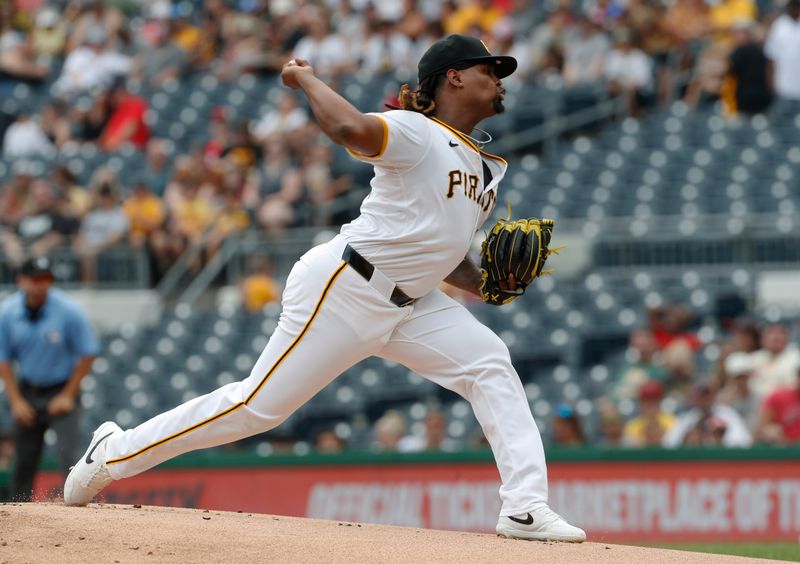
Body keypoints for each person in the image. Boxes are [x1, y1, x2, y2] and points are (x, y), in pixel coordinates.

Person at [64, 34, 586, 543]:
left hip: (413, 302)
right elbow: (347, 127)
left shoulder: (478, 164)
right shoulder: (415, 130)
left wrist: (492, 286)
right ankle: (112, 452)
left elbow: (441, 252)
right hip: (348, 285)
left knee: (490, 363)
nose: (499, 80)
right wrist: (307, 80)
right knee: (258, 408)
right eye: (489, 71)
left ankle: (523, 507)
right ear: (454, 77)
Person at [0, 257, 100, 501]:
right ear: (21, 280)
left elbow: (88, 352)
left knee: (70, 458)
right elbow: (3, 358)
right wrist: (16, 401)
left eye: (46, 279)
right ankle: (18, 515)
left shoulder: (68, 310)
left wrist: (67, 395)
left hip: (62, 390)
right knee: (23, 462)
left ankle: (84, 514)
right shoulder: (8, 312)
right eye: (35, 279)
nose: (40, 285)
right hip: (28, 391)